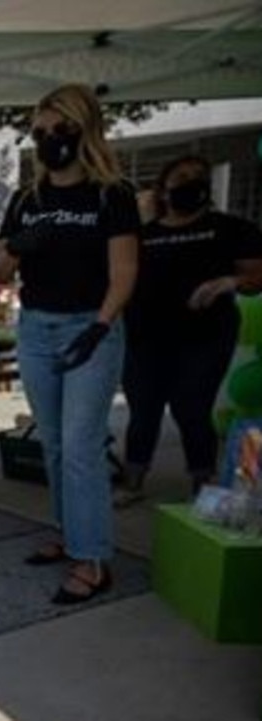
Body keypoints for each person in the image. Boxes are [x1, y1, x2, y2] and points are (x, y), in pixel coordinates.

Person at [0, 83, 140, 604]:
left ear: (84, 131)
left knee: (81, 448)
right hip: (35, 327)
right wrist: (17, 247)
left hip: (89, 326)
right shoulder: (26, 199)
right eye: (39, 132)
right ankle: (70, 534)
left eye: (60, 130)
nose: (49, 139)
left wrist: (99, 328)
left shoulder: (111, 195)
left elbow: (124, 272)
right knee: (53, 445)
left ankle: (93, 557)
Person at [119, 155, 262, 504]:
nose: (191, 183)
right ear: (164, 189)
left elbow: (256, 276)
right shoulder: (143, 235)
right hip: (145, 335)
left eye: (198, 177)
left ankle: (202, 480)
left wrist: (227, 282)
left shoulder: (230, 228)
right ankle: (133, 481)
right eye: (182, 177)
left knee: (191, 406)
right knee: (143, 408)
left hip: (205, 336)